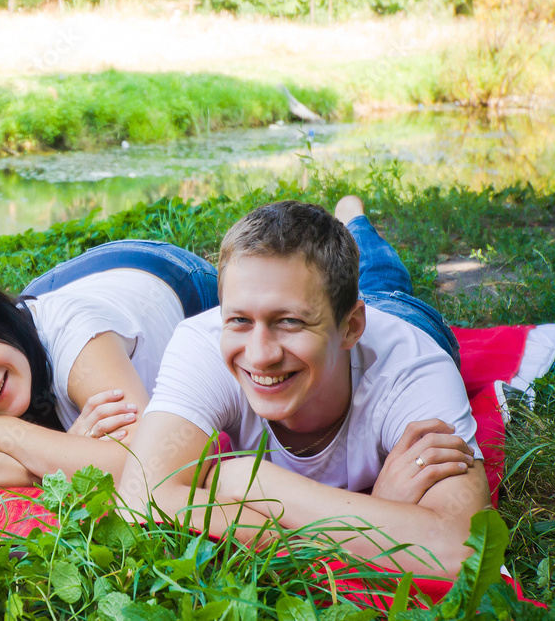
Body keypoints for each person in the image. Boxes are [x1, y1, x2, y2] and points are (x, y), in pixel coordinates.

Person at [119, 197, 490, 577]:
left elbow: (463, 550)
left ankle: (354, 219)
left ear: (351, 327)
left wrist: (247, 480)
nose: (260, 355)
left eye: (291, 322)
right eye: (240, 319)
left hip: (403, 317)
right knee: (353, 281)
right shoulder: (204, 344)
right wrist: (370, 517)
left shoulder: (412, 368)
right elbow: (140, 493)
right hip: (334, 308)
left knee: (384, 279)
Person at [0, 191, 219, 492]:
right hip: (50, 298)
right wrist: (36, 462)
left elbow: (148, 471)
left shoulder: (79, 343)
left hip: (168, 271)